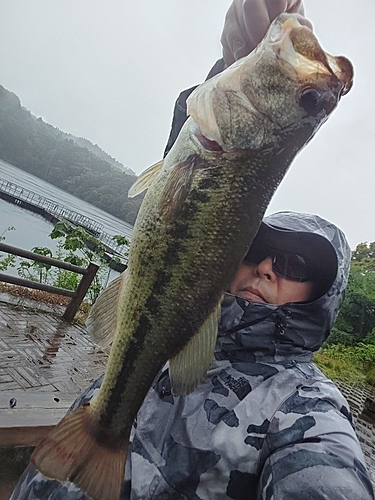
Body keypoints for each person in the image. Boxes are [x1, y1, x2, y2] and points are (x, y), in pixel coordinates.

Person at [11, 1, 375, 499]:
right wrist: (234, 61)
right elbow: (196, 172)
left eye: (295, 265)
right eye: (259, 248)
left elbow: (326, 478)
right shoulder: (180, 327)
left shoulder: (305, 408)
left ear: (321, 298)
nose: (266, 265)